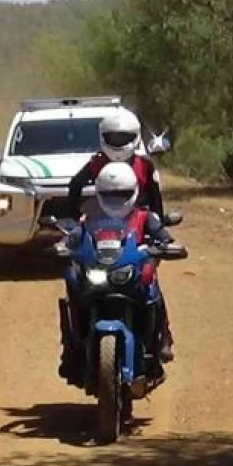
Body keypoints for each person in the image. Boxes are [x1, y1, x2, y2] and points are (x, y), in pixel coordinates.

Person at [58, 162, 178, 385]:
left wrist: (167, 244)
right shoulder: (90, 219)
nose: (115, 200)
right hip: (101, 273)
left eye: (121, 195)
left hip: (133, 273)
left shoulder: (144, 217)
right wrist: (64, 244)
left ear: (133, 192)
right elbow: (74, 235)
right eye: (109, 195)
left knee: (153, 289)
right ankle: (71, 347)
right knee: (72, 284)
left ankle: (161, 341)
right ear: (99, 193)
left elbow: (164, 236)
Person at [66, 110, 168, 221]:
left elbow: (155, 195)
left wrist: (158, 219)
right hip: (103, 220)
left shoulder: (144, 164)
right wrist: (75, 215)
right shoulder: (97, 163)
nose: (118, 142)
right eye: (113, 137)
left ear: (135, 137)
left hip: (138, 220)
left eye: (124, 137)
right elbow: (75, 184)